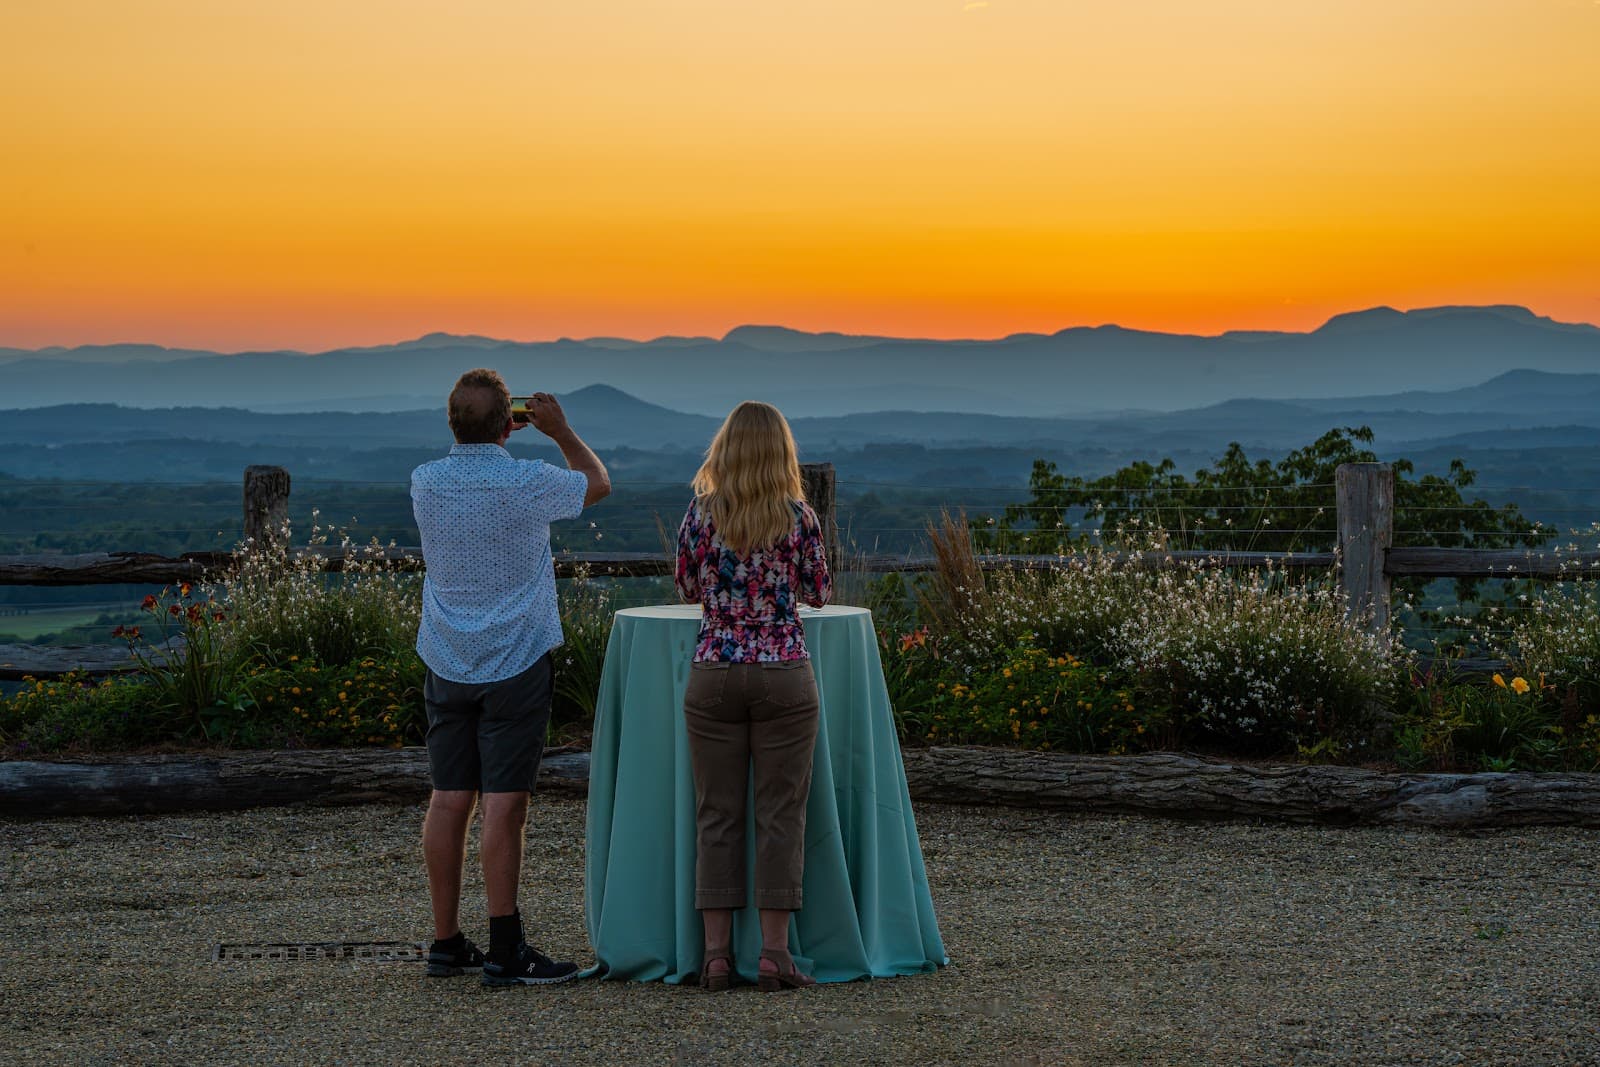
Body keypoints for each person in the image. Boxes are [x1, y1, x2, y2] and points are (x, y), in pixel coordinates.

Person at [411, 369, 610, 987]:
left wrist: (494, 429)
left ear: (450, 422)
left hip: (446, 655)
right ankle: (506, 948)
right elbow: (598, 483)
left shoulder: (424, 482)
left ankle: (446, 942)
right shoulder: (528, 481)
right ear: (509, 423)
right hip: (517, 656)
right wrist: (560, 431)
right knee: (504, 804)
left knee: (449, 798)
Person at [674, 400, 832, 992]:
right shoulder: (799, 517)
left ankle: (716, 956)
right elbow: (818, 591)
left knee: (715, 814)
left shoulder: (701, 514)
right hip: (785, 670)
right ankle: (773, 955)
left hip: (713, 669)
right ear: (780, 453)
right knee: (780, 816)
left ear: (726, 449)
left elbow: (688, 586)